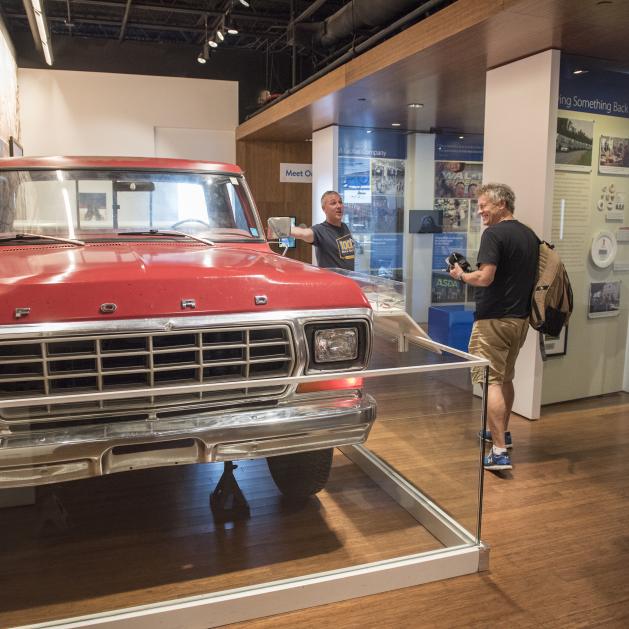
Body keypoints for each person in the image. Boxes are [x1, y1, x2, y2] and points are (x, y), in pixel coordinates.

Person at [448, 183, 538, 471]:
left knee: (491, 381)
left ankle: (499, 451)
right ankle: (501, 433)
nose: (480, 211)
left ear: (501, 205)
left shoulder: (494, 234)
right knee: (505, 377)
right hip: (519, 320)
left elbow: (485, 278)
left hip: (493, 320)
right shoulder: (528, 234)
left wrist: (461, 275)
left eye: (484, 205)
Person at [291, 191, 355, 270]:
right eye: (333, 203)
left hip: (349, 281)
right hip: (332, 282)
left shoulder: (344, 227)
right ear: (324, 209)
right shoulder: (320, 230)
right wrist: (279, 229)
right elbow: (303, 233)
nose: (339, 206)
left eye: (340, 202)